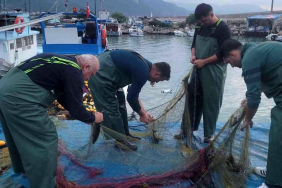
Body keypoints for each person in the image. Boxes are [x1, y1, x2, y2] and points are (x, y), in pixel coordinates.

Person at [0, 53, 103, 188]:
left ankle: (24, 169)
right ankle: (44, 183)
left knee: (17, 133)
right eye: (91, 74)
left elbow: (63, 98)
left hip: (4, 88)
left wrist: (85, 115)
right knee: (45, 138)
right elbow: (77, 109)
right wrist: (94, 117)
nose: (89, 79)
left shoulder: (63, 61)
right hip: (20, 97)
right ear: (86, 67)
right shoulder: (74, 72)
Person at [219, 39, 282, 188]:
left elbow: (254, 99)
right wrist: (249, 97)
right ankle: (276, 171)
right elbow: (263, 77)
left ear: (233, 54)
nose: (232, 66)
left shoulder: (248, 59)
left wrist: (247, 119)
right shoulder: (254, 49)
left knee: (278, 137)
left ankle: (273, 183)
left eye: (228, 62)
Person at [88, 49, 171, 151]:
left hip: (111, 76)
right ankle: (120, 141)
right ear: (157, 74)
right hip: (100, 74)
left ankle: (125, 134)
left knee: (121, 104)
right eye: (159, 80)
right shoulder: (143, 71)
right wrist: (141, 114)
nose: (157, 82)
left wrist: (144, 112)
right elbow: (131, 98)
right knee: (112, 109)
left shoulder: (146, 66)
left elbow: (134, 94)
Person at [183, 3, 231, 143]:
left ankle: (209, 134)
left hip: (214, 71)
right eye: (199, 21)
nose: (201, 23)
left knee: (212, 102)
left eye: (204, 20)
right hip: (198, 68)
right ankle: (188, 129)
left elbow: (224, 54)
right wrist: (193, 55)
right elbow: (193, 45)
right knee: (192, 98)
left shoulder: (223, 28)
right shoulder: (199, 26)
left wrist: (204, 61)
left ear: (211, 14)